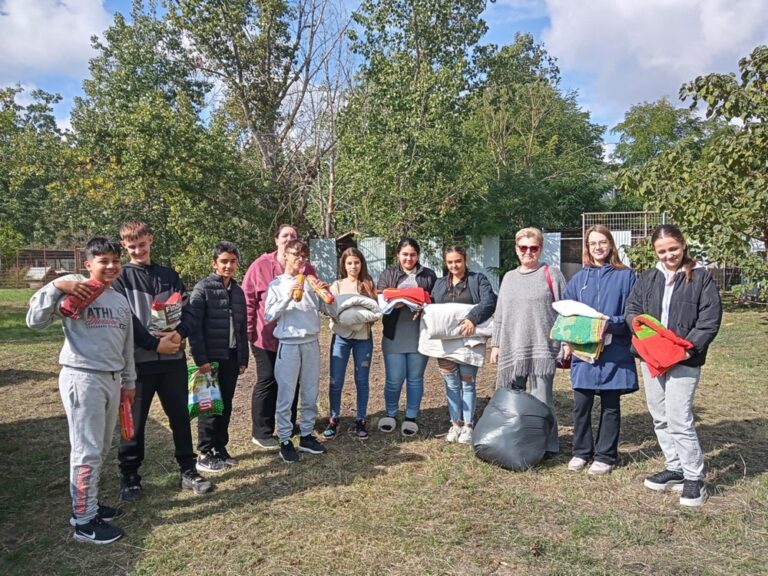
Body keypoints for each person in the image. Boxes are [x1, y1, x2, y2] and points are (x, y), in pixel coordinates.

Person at [27, 237, 135, 544]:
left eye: (115, 260)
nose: (111, 266)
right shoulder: (78, 290)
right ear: (88, 265)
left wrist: (129, 382)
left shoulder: (119, 300)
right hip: (83, 377)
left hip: (112, 379)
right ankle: (84, 522)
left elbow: (126, 347)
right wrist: (58, 287)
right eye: (103, 261)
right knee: (86, 449)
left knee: (99, 448)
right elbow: (35, 322)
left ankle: (90, 504)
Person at [115, 220, 212, 501]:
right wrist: (155, 343)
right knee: (134, 422)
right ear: (124, 246)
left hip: (173, 360)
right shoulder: (120, 278)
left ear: (150, 241)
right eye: (132, 246)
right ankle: (130, 475)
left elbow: (190, 312)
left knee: (180, 417)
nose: (138, 250)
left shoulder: (169, 275)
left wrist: (179, 334)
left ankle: (188, 470)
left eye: (142, 244)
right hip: (138, 363)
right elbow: (127, 321)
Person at [625, 224, 722, 507]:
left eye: (674, 249)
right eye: (662, 251)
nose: (669, 255)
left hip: (683, 359)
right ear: (655, 251)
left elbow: (709, 319)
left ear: (683, 245)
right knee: (659, 415)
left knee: (679, 418)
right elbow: (632, 309)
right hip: (652, 359)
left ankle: (694, 478)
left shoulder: (701, 278)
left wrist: (685, 349)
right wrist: (640, 330)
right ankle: (675, 467)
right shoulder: (648, 277)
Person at [563, 226, 638, 475]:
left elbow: (632, 313)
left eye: (603, 242)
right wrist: (568, 341)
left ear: (611, 245)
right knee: (581, 403)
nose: (598, 247)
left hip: (613, 348)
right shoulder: (578, 278)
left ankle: (605, 455)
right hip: (584, 351)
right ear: (587, 247)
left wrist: (611, 324)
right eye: (593, 243)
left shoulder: (626, 276)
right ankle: (581, 452)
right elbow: (567, 313)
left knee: (610, 404)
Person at [490, 227, 564, 456]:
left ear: (540, 249)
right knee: (512, 402)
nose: (528, 252)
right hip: (513, 348)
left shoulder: (552, 273)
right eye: (524, 247)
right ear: (516, 249)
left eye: (533, 248)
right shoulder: (509, 278)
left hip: (542, 349)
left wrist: (566, 342)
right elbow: (500, 313)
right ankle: (517, 443)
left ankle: (547, 445)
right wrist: (495, 344)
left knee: (542, 401)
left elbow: (565, 310)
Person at [243, 224, 317, 450]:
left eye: (293, 236)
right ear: (277, 241)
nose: (289, 239)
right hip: (265, 335)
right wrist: (247, 330)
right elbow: (249, 299)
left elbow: (318, 303)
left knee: (296, 385)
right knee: (268, 381)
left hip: (304, 339)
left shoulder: (308, 271)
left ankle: (296, 429)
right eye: (285, 236)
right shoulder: (261, 266)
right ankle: (263, 431)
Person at [264, 240, 329, 463]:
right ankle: (284, 439)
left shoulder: (311, 282)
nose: (300, 260)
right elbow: (269, 315)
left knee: (310, 393)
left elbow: (329, 309)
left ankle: (307, 435)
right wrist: (288, 297)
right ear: (286, 256)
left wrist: (325, 292)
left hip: (311, 342)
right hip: (289, 344)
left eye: (304, 256)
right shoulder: (276, 284)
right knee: (286, 395)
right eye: (296, 255)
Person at [187, 242, 249, 473]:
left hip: (231, 356)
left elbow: (242, 328)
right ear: (214, 263)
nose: (228, 265)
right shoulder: (203, 289)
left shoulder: (238, 291)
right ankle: (204, 452)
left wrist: (243, 358)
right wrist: (200, 359)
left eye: (232, 261)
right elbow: (193, 327)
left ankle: (220, 448)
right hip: (210, 358)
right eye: (224, 261)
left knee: (226, 405)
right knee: (209, 406)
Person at [431, 245, 497, 444]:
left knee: (467, 383)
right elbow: (433, 305)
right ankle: (455, 423)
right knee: (451, 383)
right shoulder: (440, 284)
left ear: (465, 260)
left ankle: (468, 425)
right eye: (450, 262)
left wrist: (472, 318)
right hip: (446, 344)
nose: (454, 265)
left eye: (458, 261)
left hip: (469, 341)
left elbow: (489, 301)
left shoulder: (478, 280)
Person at [377, 238, 437, 436]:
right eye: (405, 254)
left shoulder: (428, 275)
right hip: (394, 335)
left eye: (412, 254)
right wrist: (397, 301)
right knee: (394, 379)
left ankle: (411, 416)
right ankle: (391, 413)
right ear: (398, 255)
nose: (408, 258)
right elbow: (381, 299)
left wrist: (424, 304)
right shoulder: (389, 274)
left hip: (419, 335)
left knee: (415, 379)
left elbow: (435, 301)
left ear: (417, 255)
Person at [324, 247, 378, 440]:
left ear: (361, 263)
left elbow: (375, 312)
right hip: (341, 339)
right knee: (336, 380)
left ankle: (361, 419)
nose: (353, 266)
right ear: (343, 265)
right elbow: (330, 309)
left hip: (363, 339)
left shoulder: (368, 284)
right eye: (349, 263)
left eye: (356, 262)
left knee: (361, 380)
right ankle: (333, 418)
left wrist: (359, 321)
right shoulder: (337, 285)